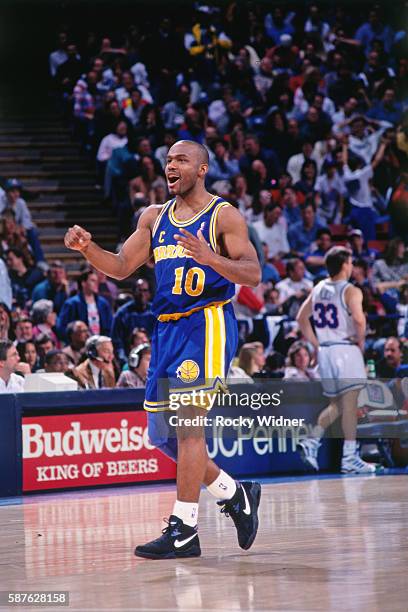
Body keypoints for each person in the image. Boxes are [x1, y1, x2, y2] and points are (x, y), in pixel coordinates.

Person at [64, 138, 262, 560]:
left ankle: (184, 528)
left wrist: (211, 258)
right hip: (166, 331)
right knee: (160, 435)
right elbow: (119, 266)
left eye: (181, 160)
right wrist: (87, 249)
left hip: (205, 323)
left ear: (202, 169)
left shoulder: (223, 215)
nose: (170, 165)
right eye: (168, 159)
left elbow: (253, 273)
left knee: (190, 425)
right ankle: (235, 493)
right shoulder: (153, 218)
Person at [296, 246, 377, 474]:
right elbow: (360, 322)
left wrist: (315, 343)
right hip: (345, 348)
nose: (352, 266)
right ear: (344, 265)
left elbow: (301, 317)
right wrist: (360, 343)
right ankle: (349, 457)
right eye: (350, 263)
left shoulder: (319, 287)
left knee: (337, 405)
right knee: (350, 405)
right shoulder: (351, 290)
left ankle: (312, 440)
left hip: (326, 351)